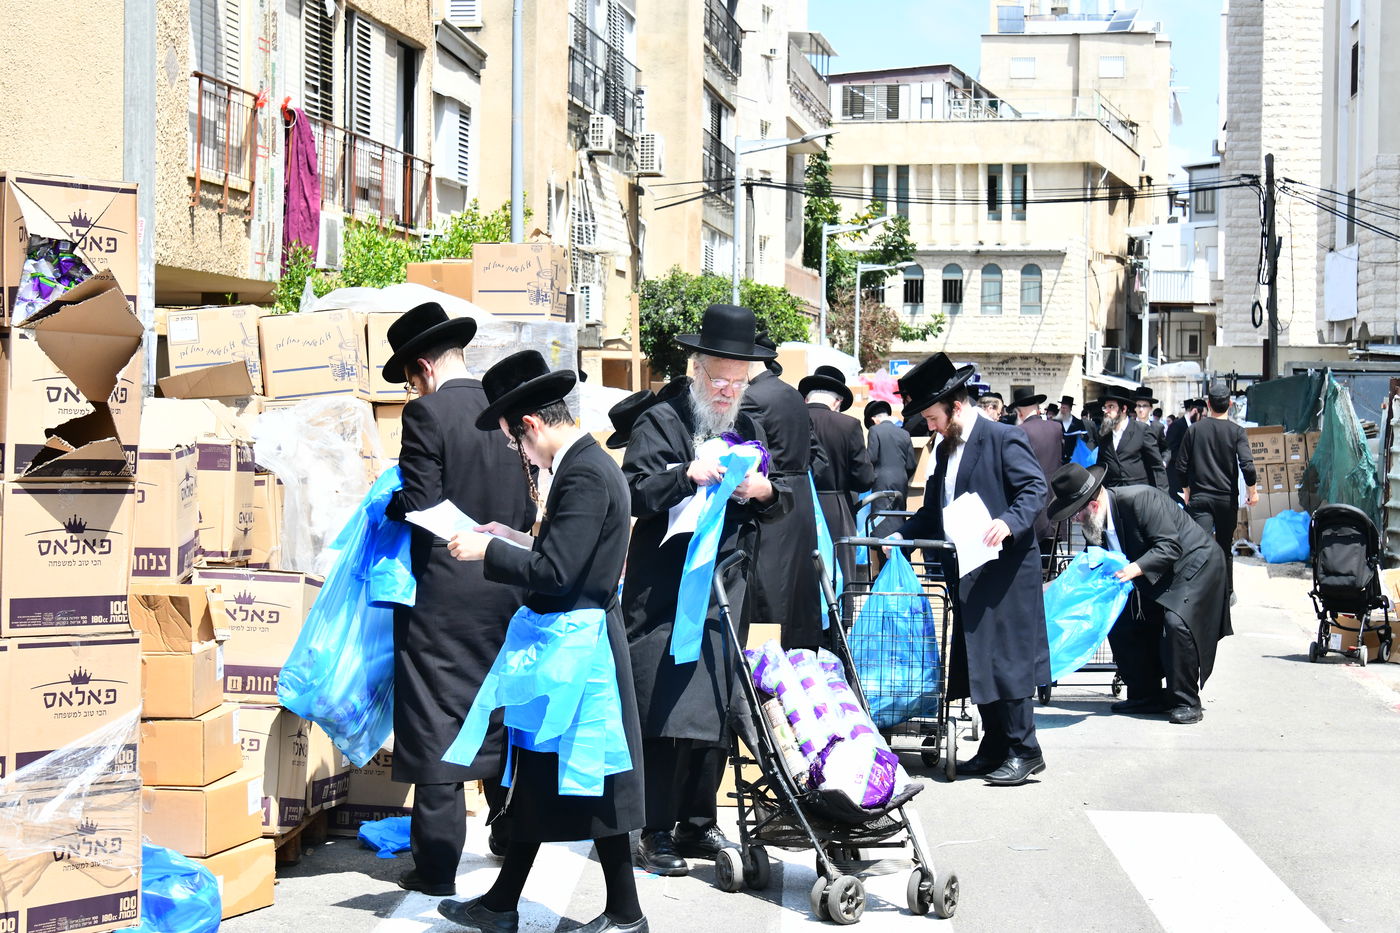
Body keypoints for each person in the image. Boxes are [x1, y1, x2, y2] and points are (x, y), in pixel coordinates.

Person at [440, 350, 647, 933]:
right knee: (542, 776)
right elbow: (569, 556)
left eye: (515, 442)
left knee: (590, 778)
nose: (520, 454)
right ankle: (505, 903)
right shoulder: (585, 465)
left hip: (580, 649)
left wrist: (489, 551)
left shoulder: (582, 473)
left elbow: (558, 572)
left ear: (530, 424)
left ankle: (625, 915)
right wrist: (511, 536)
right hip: (570, 644)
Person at [621, 304, 792, 877]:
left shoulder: (749, 427)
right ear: (696, 370)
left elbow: (781, 497)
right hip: (666, 592)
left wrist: (764, 491)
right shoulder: (660, 420)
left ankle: (697, 820)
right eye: (719, 379)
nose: (727, 391)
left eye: (738, 382)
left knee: (716, 707)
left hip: (727, 588)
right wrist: (685, 476)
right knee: (665, 708)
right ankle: (654, 828)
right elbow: (634, 491)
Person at [381, 303, 534, 898]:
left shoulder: (427, 413)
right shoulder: (505, 409)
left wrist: (389, 503)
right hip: (509, 582)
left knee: (438, 718)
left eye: (410, 380)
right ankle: (509, 830)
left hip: (445, 594)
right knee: (499, 713)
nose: (414, 391)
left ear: (422, 367)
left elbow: (422, 505)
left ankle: (438, 866)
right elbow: (528, 504)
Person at [890, 353, 1050, 786]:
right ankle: (996, 745)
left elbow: (1035, 489)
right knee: (978, 659)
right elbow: (933, 511)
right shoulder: (945, 449)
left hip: (1006, 570)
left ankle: (1026, 749)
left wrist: (1009, 521)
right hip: (967, 570)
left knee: (1008, 658)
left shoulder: (1003, 437)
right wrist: (901, 536)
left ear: (956, 406)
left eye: (933, 417)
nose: (930, 426)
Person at [1046, 462, 1231, 725]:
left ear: (1094, 506)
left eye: (1075, 513)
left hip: (1195, 565)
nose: (1074, 520)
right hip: (1153, 572)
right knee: (1121, 620)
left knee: (1176, 624)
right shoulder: (1094, 524)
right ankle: (1146, 694)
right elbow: (1094, 562)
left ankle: (1186, 701)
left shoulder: (1140, 500)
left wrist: (1135, 568)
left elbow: (1169, 546)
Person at [739, 337, 824, 648]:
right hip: (800, 494)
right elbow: (814, 452)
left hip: (772, 498)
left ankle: (769, 661)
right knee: (798, 587)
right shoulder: (791, 393)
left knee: (769, 588)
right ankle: (801, 655)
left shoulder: (752, 398)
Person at [1176, 380, 1258, 600]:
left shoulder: (1194, 430)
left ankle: (1196, 593)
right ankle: (1226, 593)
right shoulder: (1237, 431)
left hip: (1200, 497)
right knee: (1224, 547)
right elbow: (1248, 466)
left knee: (1198, 547)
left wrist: (1186, 490)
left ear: (1208, 404)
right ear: (1230, 404)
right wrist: (1252, 491)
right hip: (1225, 500)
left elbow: (1180, 466)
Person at [801, 364, 875, 585]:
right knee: (838, 577)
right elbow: (864, 480)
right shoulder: (848, 425)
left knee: (801, 577)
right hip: (836, 509)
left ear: (806, 398)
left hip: (796, 504)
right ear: (837, 402)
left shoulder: (791, 420)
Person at [1010, 386, 1063, 561]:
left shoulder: (1020, 431)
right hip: (1054, 496)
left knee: (1032, 557)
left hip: (1032, 498)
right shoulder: (1056, 427)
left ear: (1019, 412)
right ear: (1037, 408)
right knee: (1051, 556)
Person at [1095, 390, 1168, 493]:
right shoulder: (1103, 434)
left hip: (1138, 493)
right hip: (1112, 494)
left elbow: (1157, 466)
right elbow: (1101, 465)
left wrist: (1163, 496)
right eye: (1105, 407)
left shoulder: (1142, 430)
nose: (1106, 411)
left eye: (1111, 407)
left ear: (1124, 409)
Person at [864, 399, 918, 511]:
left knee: (881, 516)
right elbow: (911, 465)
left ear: (873, 419)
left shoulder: (874, 430)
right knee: (899, 514)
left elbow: (871, 458)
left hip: (881, 482)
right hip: (901, 482)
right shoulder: (905, 433)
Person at [1132, 386, 1169, 463]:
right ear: (1135, 408)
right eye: (1138, 406)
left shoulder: (1157, 427)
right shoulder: (1128, 425)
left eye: (1145, 406)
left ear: (1150, 408)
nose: (1141, 409)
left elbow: (1166, 449)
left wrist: (1164, 462)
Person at [1056, 393, 1091, 462]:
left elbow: (1086, 438)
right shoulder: (1056, 422)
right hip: (1059, 457)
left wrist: (1082, 437)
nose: (1062, 410)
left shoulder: (1078, 422)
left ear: (1070, 409)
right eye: (1061, 407)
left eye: (1064, 408)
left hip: (1074, 457)